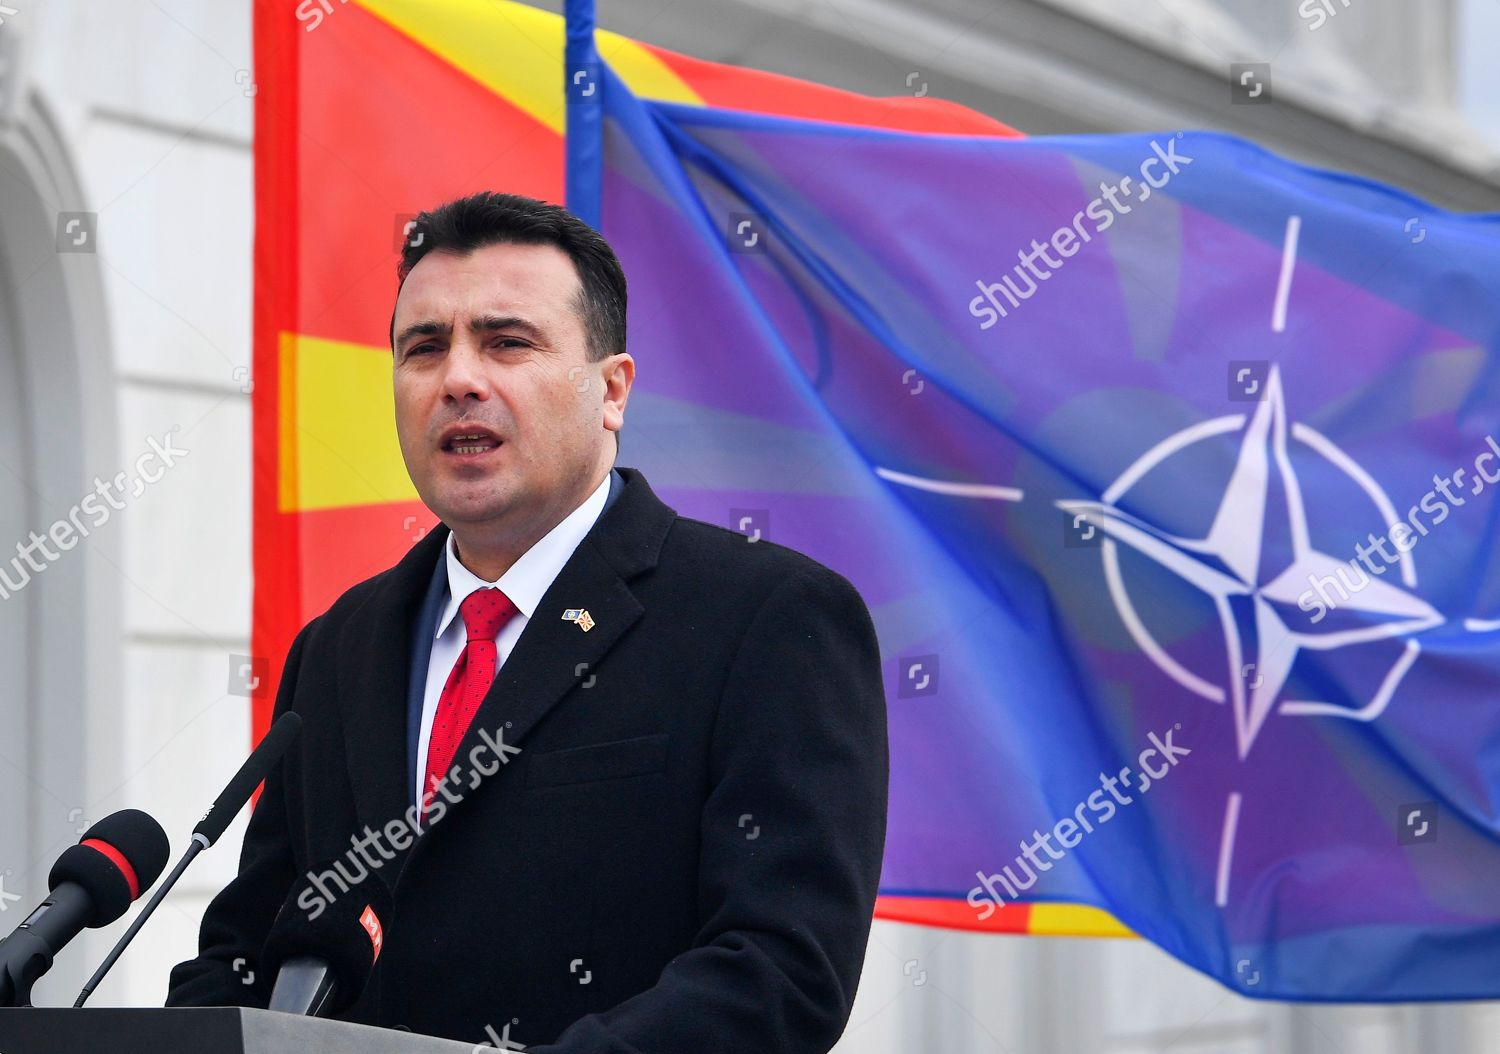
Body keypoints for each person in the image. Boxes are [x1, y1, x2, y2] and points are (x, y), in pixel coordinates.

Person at [166, 191, 890, 1052]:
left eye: (508, 343)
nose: (459, 380)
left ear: (613, 390)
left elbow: (780, 971)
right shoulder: (337, 648)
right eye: (423, 349)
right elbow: (255, 948)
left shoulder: (767, 619)